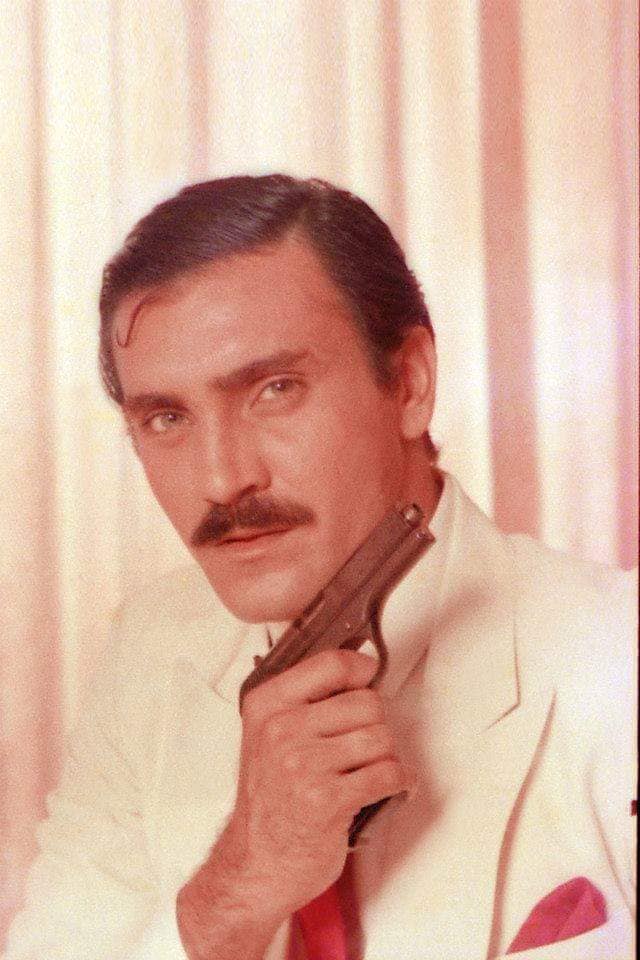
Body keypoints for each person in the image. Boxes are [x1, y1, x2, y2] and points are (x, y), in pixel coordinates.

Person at [5, 175, 636, 960]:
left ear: (409, 383)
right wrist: (237, 890)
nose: (222, 479)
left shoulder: (618, 660)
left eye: (275, 390)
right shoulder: (148, 653)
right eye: (166, 417)